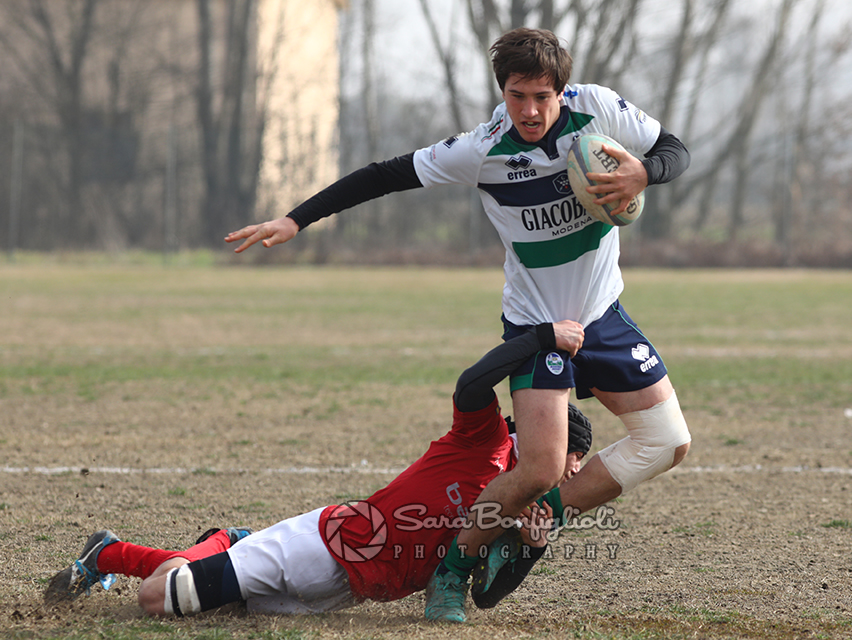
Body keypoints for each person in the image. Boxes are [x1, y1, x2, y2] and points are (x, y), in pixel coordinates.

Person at [225, 27, 692, 623]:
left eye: (542, 97)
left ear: (563, 92)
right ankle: (453, 567)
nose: (529, 109)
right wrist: (297, 219)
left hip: (603, 314)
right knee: (540, 466)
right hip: (536, 325)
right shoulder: (483, 148)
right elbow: (384, 174)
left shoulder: (597, 109)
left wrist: (642, 174)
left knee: (667, 443)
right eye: (517, 95)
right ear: (502, 91)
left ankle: (534, 522)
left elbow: (675, 148)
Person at [44, 320, 591, 617]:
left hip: (346, 594)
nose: (568, 474)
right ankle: (126, 551)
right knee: (159, 599)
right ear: (542, 433)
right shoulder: (485, 441)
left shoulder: (530, 510)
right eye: (567, 456)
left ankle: (220, 544)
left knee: (199, 592)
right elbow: (470, 385)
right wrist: (538, 339)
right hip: (327, 545)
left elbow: (485, 597)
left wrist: (533, 550)